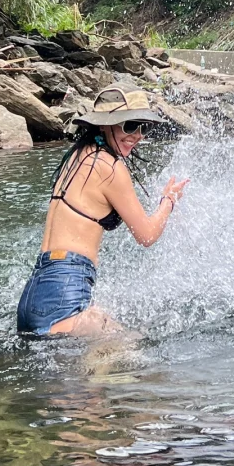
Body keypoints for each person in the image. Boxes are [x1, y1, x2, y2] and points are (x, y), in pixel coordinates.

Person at [17, 86, 188, 336]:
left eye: (144, 127)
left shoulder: (76, 157)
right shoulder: (109, 167)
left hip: (36, 291)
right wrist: (169, 200)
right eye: (130, 126)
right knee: (132, 355)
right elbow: (147, 235)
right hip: (66, 288)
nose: (137, 135)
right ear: (105, 125)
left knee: (101, 366)